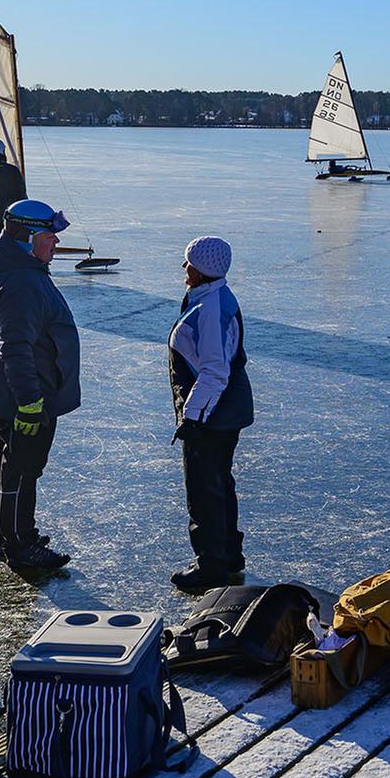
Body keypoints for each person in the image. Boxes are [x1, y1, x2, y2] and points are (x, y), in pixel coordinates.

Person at [0, 199, 81, 574]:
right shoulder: (22, 281)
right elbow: (16, 347)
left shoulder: (15, 267)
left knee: (9, 465)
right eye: (50, 236)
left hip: (14, 393)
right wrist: (30, 402)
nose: (56, 244)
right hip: (27, 396)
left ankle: (10, 534)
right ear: (28, 235)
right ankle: (20, 545)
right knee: (22, 469)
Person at [169, 236, 253, 594]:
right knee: (218, 484)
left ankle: (211, 567)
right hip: (221, 411)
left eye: (189, 263)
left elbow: (215, 370)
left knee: (205, 490)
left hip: (213, 416)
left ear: (202, 270)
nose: (184, 268)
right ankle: (228, 557)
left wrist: (193, 419)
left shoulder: (210, 309)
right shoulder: (210, 298)